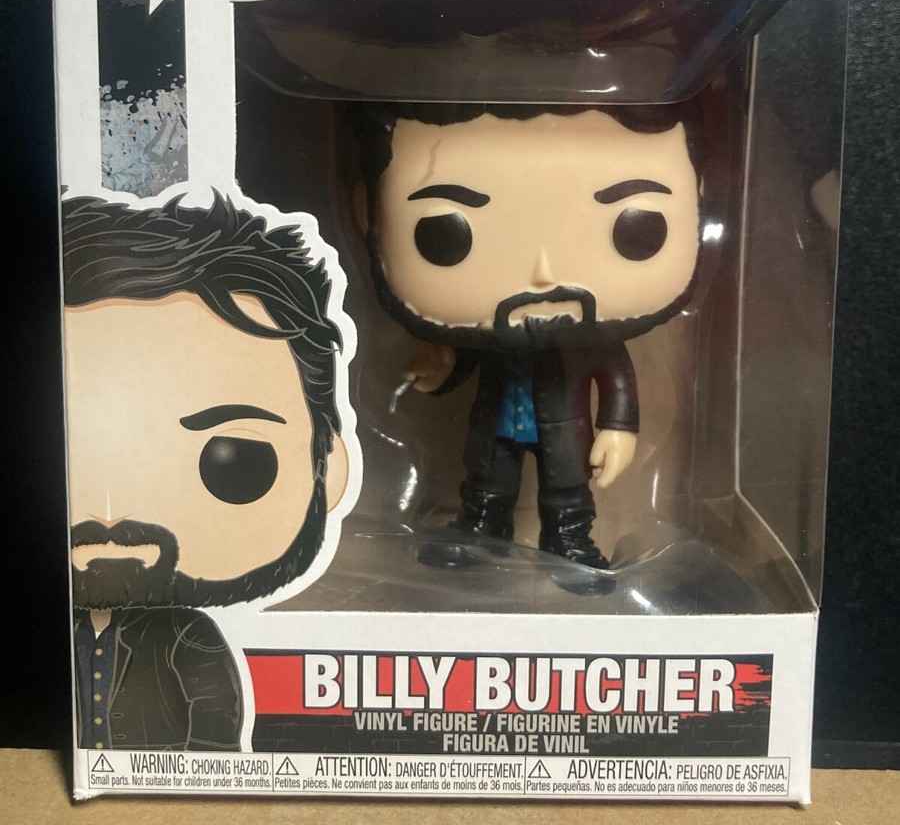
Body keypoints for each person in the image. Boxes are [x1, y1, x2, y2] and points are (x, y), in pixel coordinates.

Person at [353, 101, 702, 570]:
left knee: (566, 490)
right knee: (487, 482)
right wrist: (439, 366)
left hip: (563, 429)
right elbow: (463, 356)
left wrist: (617, 428)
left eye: (635, 229)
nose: (542, 275)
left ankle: (568, 540)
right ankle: (482, 530)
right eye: (444, 233)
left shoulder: (589, 340)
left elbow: (616, 376)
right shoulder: (491, 333)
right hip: (498, 424)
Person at [63, 194, 349, 750]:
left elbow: (215, 733)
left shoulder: (187, 639)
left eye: (234, 457)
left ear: (328, 466)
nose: (112, 514)